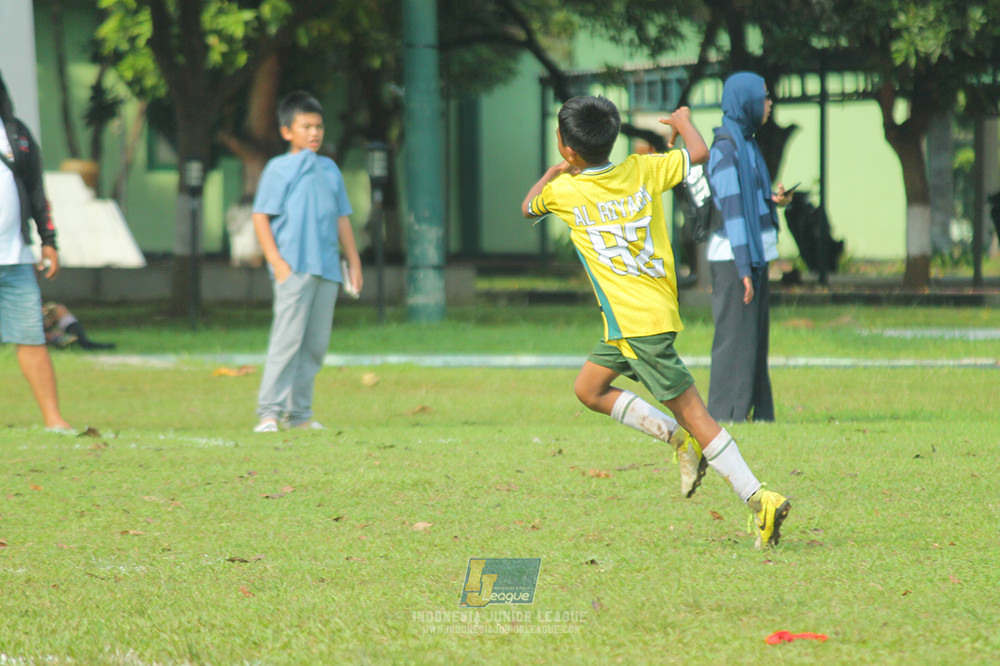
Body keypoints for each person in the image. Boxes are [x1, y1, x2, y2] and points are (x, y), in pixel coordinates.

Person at [521, 95, 790, 548]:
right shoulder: (643, 169)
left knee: (697, 416)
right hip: (648, 318)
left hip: (635, 327)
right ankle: (677, 440)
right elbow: (699, 154)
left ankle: (758, 497)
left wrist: (553, 173)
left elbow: (528, 207)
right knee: (589, 389)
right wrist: (684, 121)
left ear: (567, 148)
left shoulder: (564, 192)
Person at [251, 91, 362, 433]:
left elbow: (342, 218)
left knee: (314, 346)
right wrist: (277, 263)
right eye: (306, 127)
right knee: (287, 342)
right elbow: (260, 217)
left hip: (327, 269)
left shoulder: (329, 168)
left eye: (319, 127)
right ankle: (269, 413)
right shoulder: (278, 168)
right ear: (287, 132)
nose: (314, 133)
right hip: (294, 268)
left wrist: (354, 263)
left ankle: (299, 416)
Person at [705, 72, 794, 423]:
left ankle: (756, 412)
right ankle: (726, 415)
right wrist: (744, 268)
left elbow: (750, 200)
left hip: (750, 255)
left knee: (754, 340)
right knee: (735, 342)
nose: (769, 103)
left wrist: (775, 200)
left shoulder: (748, 143)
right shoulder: (726, 148)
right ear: (746, 102)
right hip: (734, 259)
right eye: (764, 97)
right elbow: (733, 211)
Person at [0, 71, 73, 432]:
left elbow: (36, 192)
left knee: (31, 337)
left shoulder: (16, 134)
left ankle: (54, 419)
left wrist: (48, 242)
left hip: (14, 258)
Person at [43, 302, 116, 350]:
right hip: (72, 326)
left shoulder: (55, 309)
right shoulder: (58, 311)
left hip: (72, 326)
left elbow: (49, 322)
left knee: (86, 345)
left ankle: (109, 346)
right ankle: (109, 346)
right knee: (84, 344)